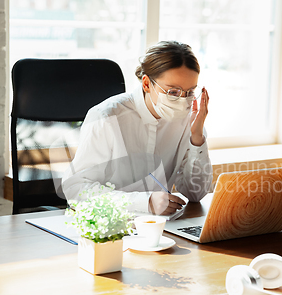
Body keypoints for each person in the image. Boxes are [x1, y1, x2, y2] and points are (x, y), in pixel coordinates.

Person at [62, 41, 212, 216]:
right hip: (109, 226)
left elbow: (195, 193)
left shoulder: (187, 119)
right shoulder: (106, 117)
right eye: (173, 92)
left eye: (190, 92)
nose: (182, 101)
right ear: (147, 84)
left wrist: (196, 138)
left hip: (162, 227)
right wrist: (145, 202)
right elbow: (76, 189)